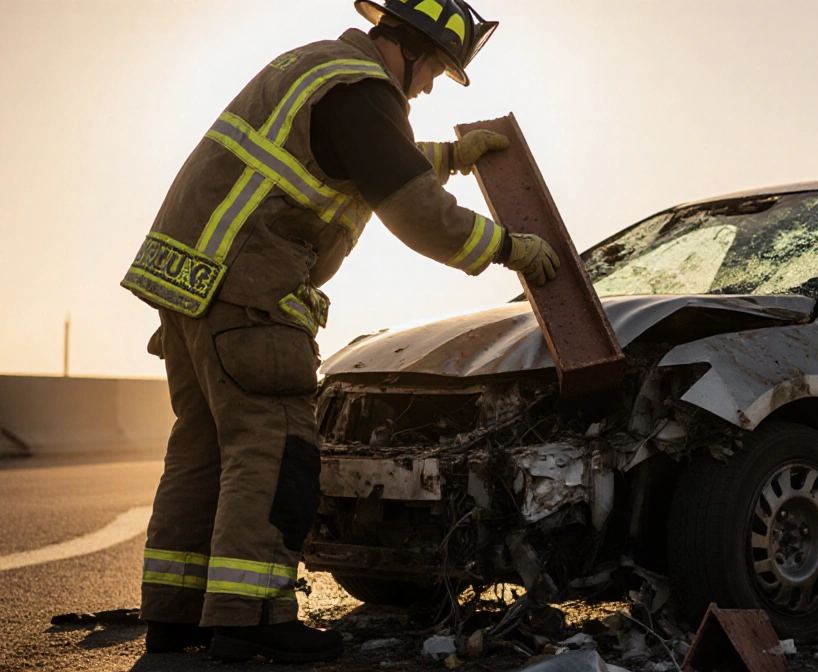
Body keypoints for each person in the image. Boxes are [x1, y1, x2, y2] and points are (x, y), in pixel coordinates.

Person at [119, 0, 560, 663]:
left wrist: (448, 156)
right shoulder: (363, 90)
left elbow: (355, 158)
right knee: (275, 451)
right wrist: (507, 249)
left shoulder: (319, 68)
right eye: (435, 68)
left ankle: (175, 623)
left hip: (190, 285)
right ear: (408, 47)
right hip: (251, 293)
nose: (429, 85)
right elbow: (415, 213)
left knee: (204, 452)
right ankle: (252, 620)